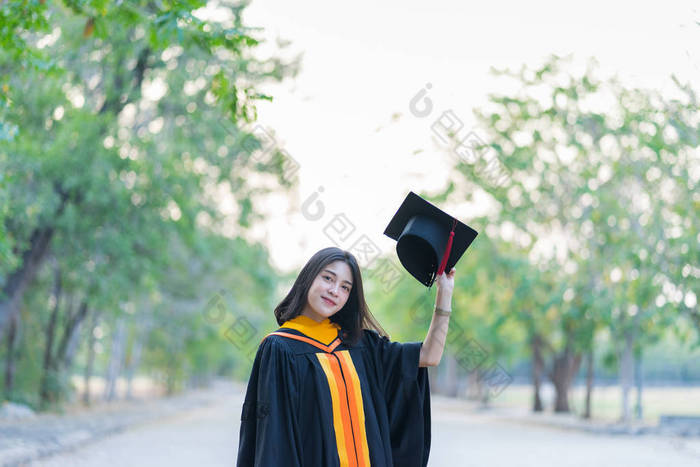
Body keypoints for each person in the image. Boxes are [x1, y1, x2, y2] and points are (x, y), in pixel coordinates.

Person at [236, 246, 455, 467]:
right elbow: (275, 439)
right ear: (309, 277)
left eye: (345, 287)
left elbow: (429, 356)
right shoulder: (281, 348)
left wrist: (444, 292)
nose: (334, 291)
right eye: (328, 278)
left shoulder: (364, 346)